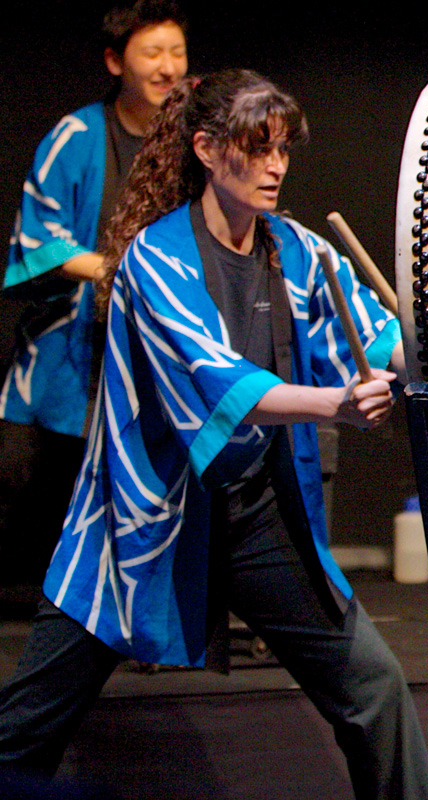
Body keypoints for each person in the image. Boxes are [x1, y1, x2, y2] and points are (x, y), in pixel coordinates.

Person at [0, 69, 428, 799]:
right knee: (27, 726)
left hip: (255, 516)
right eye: (256, 147)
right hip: (142, 523)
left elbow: (376, 329)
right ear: (206, 148)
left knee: (376, 688)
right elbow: (217, 383)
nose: (276, 166)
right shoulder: (155, 259)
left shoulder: (296, 251)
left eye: (283, 150)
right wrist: (335, 405)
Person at [1, 1, 188, 587]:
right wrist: (117, 268)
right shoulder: (77, 137)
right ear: (115, 61)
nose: (167, 67)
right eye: (152, 53)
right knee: (48, 493)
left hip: (159, 340)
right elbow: (40, 238)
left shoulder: (192, 143)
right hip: (79, 342)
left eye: (177, 53)